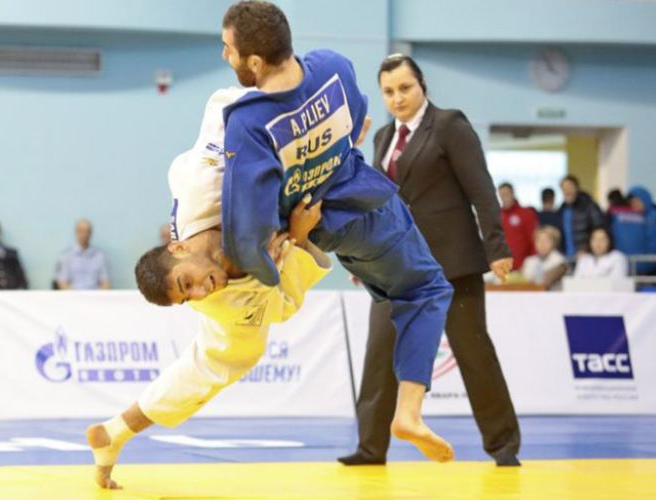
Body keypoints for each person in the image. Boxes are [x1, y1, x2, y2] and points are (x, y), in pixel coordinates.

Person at [220, 1, 455, 464]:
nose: (224, 56)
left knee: (398, 293)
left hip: (327, 232)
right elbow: (356, 116)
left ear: (253, 61)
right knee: (427, 289)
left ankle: (403, 411)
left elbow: (246, 231)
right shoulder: (332, 66)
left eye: (227, 49)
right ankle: (409, 412)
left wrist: (275, 266)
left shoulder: (248, 122)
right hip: (372, 208)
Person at [87, 88, 332, 490]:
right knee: (229, 356)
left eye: (188, 283)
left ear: (178, 246)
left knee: (218, 359)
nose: (201, 292)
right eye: (188, 298)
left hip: (231, 170)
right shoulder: (221, 302)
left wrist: (283, 96)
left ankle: (115, 432)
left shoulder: (202, 183)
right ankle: (115, 432)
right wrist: (298, 241)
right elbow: (285, 305)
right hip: (256, 290)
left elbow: (221, 106)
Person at [337, 54, 520, 467]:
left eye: (405, 88)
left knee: (474, 356)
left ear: (422, 86)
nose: (398, 98)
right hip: (394, 267)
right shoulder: (383, 137)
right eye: (389, 91)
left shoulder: (450, 125)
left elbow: (481, 189)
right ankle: (370, 447)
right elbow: (377, 203)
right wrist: (363, 258)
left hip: (453, 266)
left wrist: (497, 247)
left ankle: (503, 445)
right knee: (378, 356)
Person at [557, 175, 605, 258]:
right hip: (567, 257)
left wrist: (586, 249)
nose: (567, 190)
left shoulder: (589, 206)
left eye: (570, 187)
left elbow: (599, 229)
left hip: (587, 256)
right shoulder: (561, 210)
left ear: (576, 188)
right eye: (564, 188)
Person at [55, 219, 110, 290]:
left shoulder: (100, 256)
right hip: (73, 298)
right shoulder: (66, 256)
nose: (84, 234)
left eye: (87, 231)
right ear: (76, 232)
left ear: (91, 233)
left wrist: (102, 298)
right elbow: (63, 283)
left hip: (96, 298)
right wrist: (75, 298)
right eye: (81, 231)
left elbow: (105, 282)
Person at [499, 182, 538, 271]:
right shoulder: (497, 216)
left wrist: (530, 263)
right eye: (502, 195)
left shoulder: (527, 214)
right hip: (503, 268)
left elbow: (533, 240)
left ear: (513, 194)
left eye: (507, 194)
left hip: (524, 266)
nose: (504, 198)